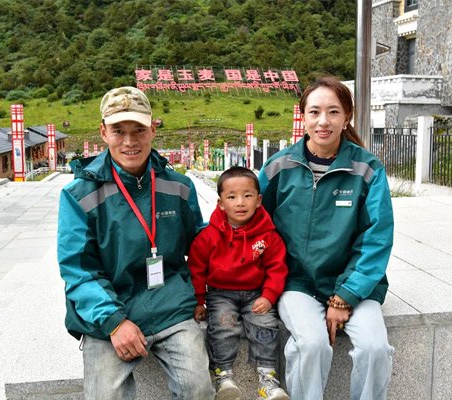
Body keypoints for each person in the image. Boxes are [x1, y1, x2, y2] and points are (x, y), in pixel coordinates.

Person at [57, 86, 214, 399]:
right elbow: (78, 269)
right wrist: (115, 323)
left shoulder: (178, 186)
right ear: (103, 132)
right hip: (109, 312)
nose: (130, 141)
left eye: (139, 130)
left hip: (171, 307)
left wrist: (239, 229)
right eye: (119, 131)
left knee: (198, 389)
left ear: (153, 129)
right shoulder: (79, 195)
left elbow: (200, 244)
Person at [258, 76, 395, 400]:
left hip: (355, 284)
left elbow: (377, 237)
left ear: (346, 117)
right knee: (312, 345)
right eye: (315, 112)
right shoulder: (279, 167)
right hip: (298, 282)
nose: (323, 121)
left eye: (333, 112)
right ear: (303, 117)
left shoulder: (367, 169)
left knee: (375, 348)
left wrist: (346, 296)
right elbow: (252, 220)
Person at [188, 166, 289, 400]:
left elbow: (277, 268)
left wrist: (269, 295)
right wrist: (199, 300)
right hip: (221, 294)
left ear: (258, 200)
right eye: (232, 197)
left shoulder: (268, 235)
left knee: (266, 325)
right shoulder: (209, 235)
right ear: (221, 203)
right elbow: (196, 268)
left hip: (256, 294)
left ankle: (268, 380)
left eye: (247, 195)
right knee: (223, 325)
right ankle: (223, 376)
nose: (240, 203)